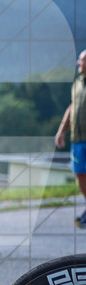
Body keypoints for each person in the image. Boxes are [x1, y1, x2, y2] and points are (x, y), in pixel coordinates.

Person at [54, 49, 86, 227]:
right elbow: (71, 107)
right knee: (81, 175)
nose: (78, 63)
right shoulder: (78, 83)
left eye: (81, 60)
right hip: (78, 139)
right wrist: (62, 130)